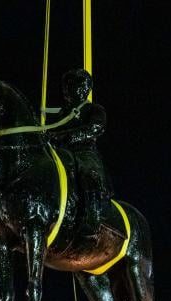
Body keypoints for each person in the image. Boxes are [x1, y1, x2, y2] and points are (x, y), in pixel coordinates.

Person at [47, 68, 112, 237]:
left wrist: (65, 137)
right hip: (60, 152)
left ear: (84, 88)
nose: (66, 89)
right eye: (66, 85)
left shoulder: (94, 110)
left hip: (83, 151)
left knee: (89, 173)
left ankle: (93, 218)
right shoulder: (61, 113)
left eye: (71, 85)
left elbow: (95, 128)